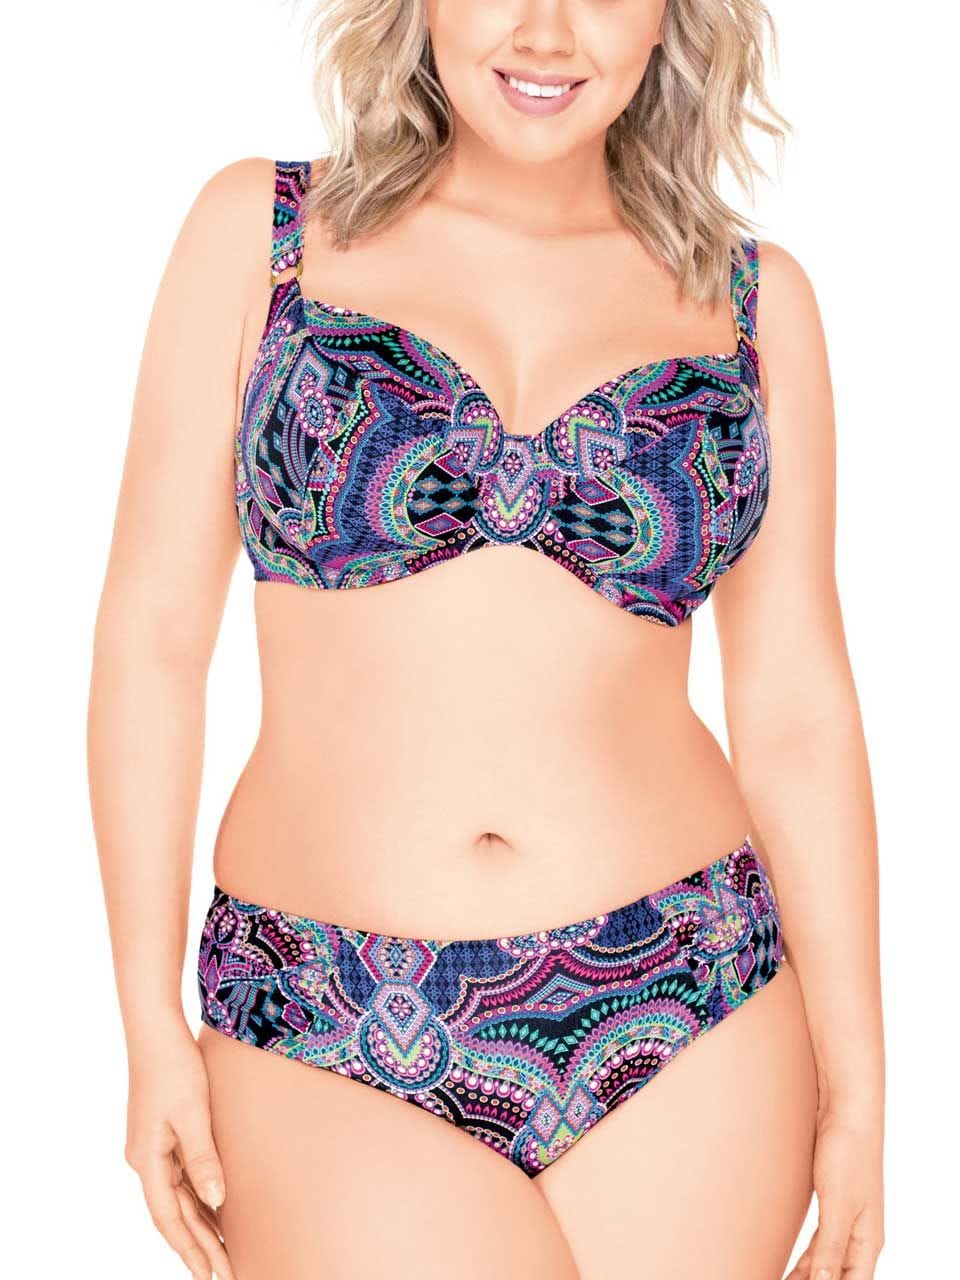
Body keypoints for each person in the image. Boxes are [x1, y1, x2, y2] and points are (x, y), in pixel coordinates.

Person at [87, 2, 885, 1278]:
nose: (547, 32)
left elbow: (795, 706)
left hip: (695, 999)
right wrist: (145, 1023)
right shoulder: (264, 236)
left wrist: (859, 1086)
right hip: (325, 1011)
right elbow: (153, 640)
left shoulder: (753, 303)